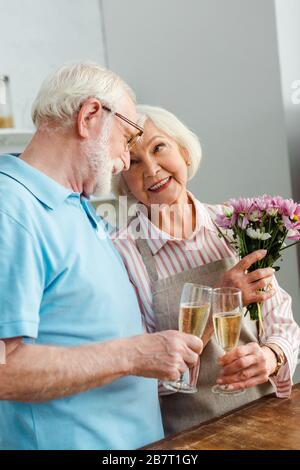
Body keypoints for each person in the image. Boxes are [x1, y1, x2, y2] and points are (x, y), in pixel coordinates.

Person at [0, 64, 203, 450]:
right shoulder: (10, 209)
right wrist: (132, 354)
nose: (126, 161)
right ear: (90, 116)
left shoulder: (79, 206)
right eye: (126, 138)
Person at [112, 104, 300, 436]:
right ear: (121, 177)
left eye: (159, 147)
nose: (152, 169)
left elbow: (280, 317)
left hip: (268, 416)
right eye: (134, 160)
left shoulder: (236, 225)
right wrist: (220, 303)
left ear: (184, 152)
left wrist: (273, 356)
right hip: (192, 436)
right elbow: (139, 376)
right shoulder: (121, 253)